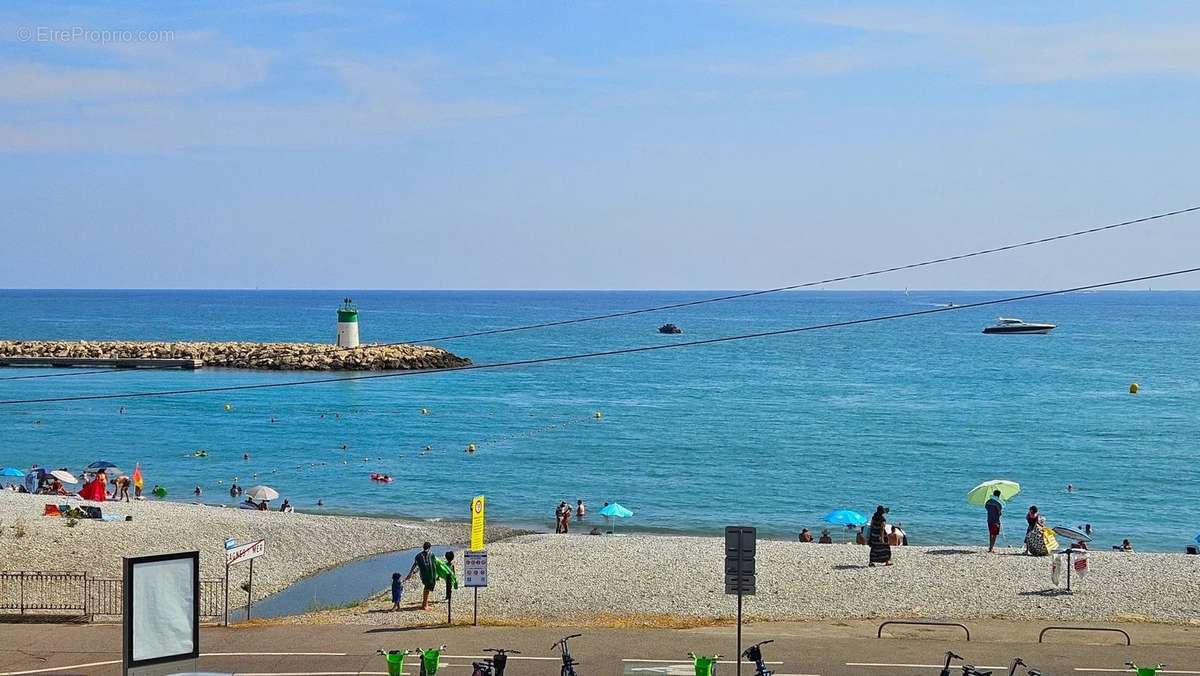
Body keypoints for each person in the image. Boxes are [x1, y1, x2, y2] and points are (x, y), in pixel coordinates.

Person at [404, 542, 437, 611]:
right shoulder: (432, 555)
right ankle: (424, 605)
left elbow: (415, 565)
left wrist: (411, 573)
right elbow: (434, 565)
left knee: (426, 588)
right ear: (430, 547)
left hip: (423, 575)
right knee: (427, 589)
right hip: (430, 575)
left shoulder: (418, 556)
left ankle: (425, 603)